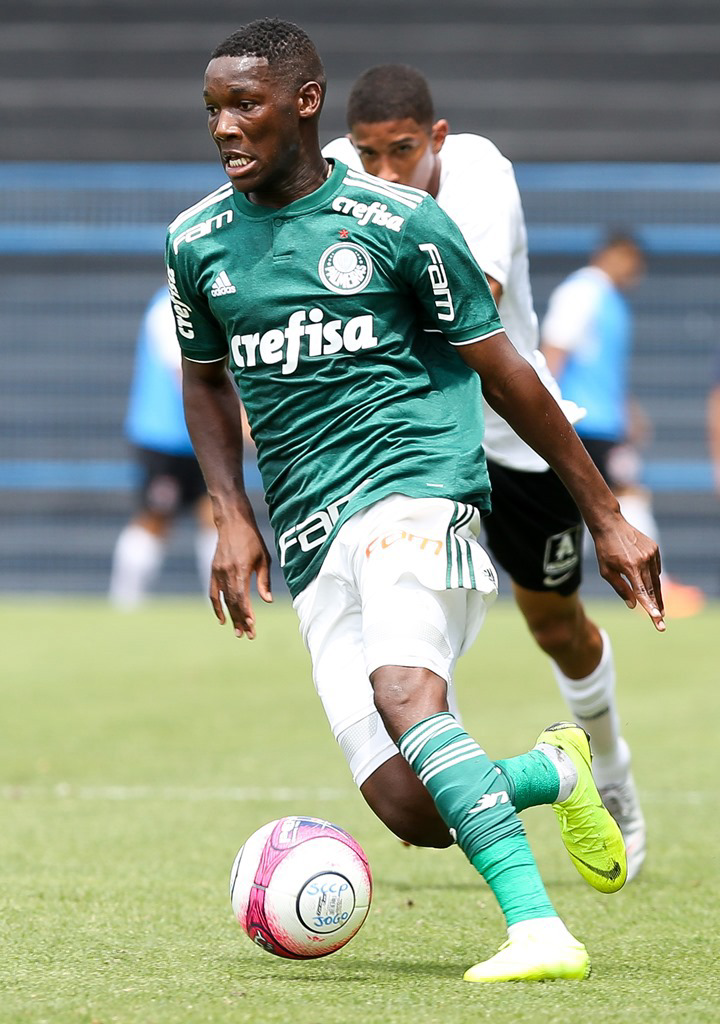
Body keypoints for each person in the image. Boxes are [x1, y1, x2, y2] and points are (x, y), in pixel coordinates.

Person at [166, 18, 665, 983]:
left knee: (406, 694)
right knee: (411, 807)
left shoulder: (400, 223)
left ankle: (538, 931)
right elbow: (205, 379)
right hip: (309, 527)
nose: (225, 126)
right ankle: (555, 770)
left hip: (418, 489)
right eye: (214, 108)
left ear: (305, 104)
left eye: (246, 105)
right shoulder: (196, 241)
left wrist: (605, 513)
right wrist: (230, 508)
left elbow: (507, 372)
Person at [322, 65, 647, 882]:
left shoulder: (479, 172)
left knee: (556, 627)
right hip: (410, 448)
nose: (385, 172)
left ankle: (608, 766)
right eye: (369, 155)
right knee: (405, 645)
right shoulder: (334, 173)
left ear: (436, 137)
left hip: (515, 436)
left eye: (403, 151)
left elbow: (466, 301)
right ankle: (454, 783)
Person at [541, 234, 705, 618]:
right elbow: (553, 351)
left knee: (594, 503)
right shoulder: (582, 292)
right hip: (585, 421)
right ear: (615, 254)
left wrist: (628, 410)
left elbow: (600, 368)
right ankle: (654, 585)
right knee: (625, 495)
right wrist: (547, 414)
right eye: (633, 263)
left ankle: (566, 584)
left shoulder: (609, 300)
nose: (635, 273)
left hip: (603, 422)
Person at [109, 285, 217, 607]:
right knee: (155, 518)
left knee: (216, 516)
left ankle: (222, 604)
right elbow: (184, 374)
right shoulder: (167, 308)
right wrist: (239, 423)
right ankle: (124, 603)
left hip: (203, 439)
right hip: (165, 439)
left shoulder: (204, 303)